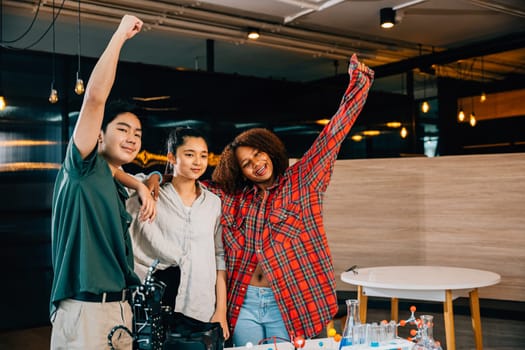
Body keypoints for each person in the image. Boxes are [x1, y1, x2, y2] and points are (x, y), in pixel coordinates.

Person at [146, 54, 373, 345]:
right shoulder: (232, 198)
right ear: (239, 170)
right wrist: (155, 176)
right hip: (245, 304)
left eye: (257, 154)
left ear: (269, 150)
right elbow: (188, 180)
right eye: (245, 163)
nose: (255, 163)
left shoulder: (304, 181)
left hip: (288, 301)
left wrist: (359, 84)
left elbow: (333, 134)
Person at [49, 15, 155, 350]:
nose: (131, 138)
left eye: (137, 134)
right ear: (99, 133)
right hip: (86, 312)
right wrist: (121, 34)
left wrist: (140, 184)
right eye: (122, 129)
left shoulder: (114, 180)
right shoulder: (81, 167)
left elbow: (130, 175)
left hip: (119, 310)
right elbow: (95, 98)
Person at [124, 127, 230, 339]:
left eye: (203, 155)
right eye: (189, 154)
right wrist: (150, 180)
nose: (198, 162)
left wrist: (221, 311)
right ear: (172, 157)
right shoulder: (150, 192)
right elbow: (110, 173)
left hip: (201, 308)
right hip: (155, 306)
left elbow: (219, 257)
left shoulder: (213, 203)